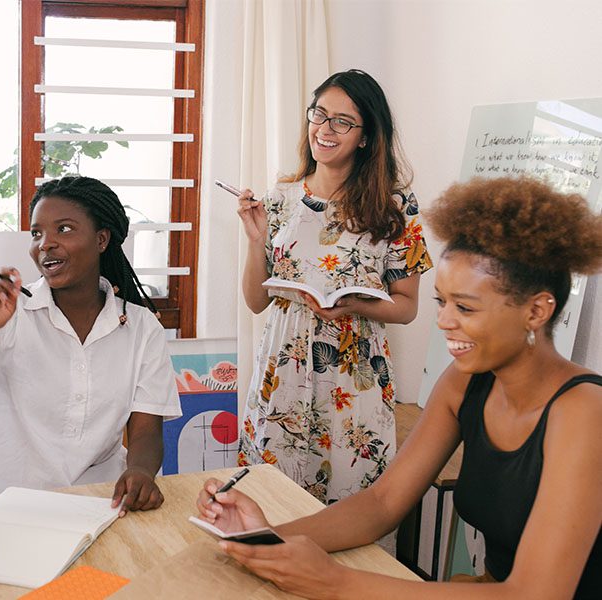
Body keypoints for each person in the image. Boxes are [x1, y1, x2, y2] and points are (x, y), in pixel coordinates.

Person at [196, 176, 602, 599]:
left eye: (465, 307)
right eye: (442, 302)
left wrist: (336, 583)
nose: (444, 321)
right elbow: (382, 503)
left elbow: (536, 594)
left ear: (536, 310)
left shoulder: (584, 411)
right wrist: (267, 537)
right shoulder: (464, 384)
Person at [0, 176, 181, 514]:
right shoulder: (10, 316)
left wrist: (140, 471)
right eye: (37, 233)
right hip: (11, 512)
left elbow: (146, 431)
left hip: (102, 507)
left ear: (101, 239)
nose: (46, 244)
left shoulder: (141, 328)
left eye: (65, 229)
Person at [235, 69, 432, 503]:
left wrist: (353, 306)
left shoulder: (396, 206)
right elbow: (255, 302)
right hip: (280, 376)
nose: (325, 129)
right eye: (319, 114)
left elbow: (407, 307)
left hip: (353, 385)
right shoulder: (279, 198)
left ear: (365, 137)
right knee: (270, 509)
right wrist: (255, 241)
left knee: (350, 510)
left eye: (342, 121)